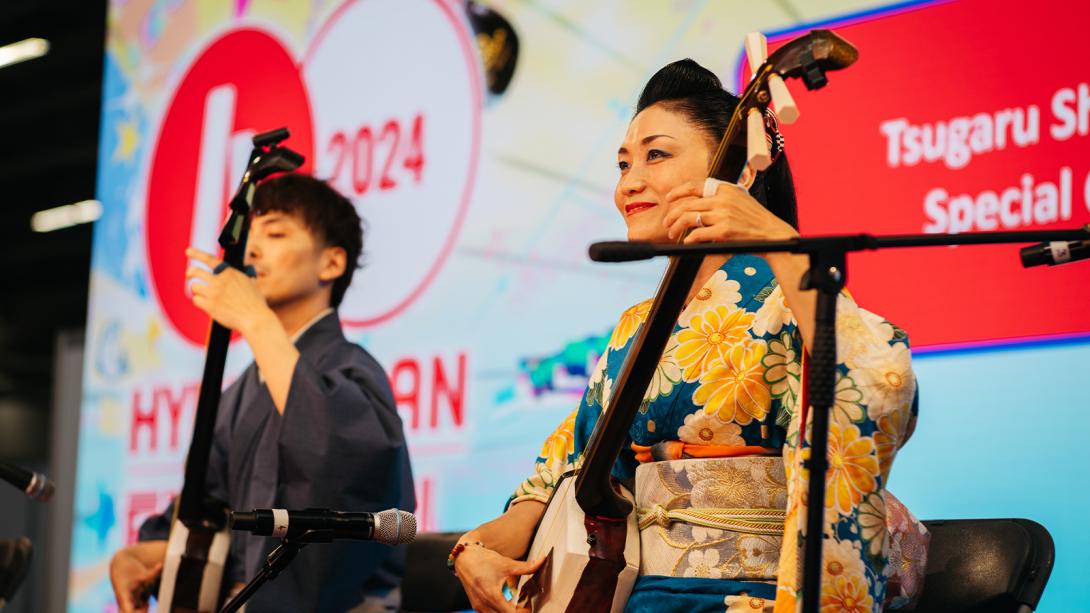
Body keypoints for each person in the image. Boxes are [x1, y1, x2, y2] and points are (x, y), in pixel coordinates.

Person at [450, 60, 928, 613]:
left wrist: (779, 240)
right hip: (626, 591)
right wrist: (473, 550)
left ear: (739, 170)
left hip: (736, 596)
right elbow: (560, 476)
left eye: (657, 155)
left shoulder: (785, 300)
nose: (629, 182)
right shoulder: (636, 325)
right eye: (623, 163)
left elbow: (877, 382)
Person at [108, 174, 415, 612]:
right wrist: (141, 555)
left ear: (331, 264)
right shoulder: (240, 393)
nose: (251, 249)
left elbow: (343, 472)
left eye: (275, 233)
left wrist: (255, 320)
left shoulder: (353, 370)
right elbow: (214, 520)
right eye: (250, 234)